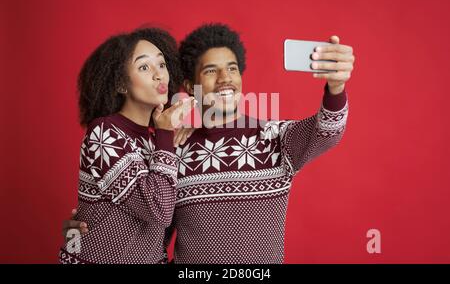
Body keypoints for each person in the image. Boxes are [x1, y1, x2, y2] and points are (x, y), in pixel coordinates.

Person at [64, 23, 354, 264]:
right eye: (211, 71)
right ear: (191, 88)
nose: (225, 79)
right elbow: (156, 224)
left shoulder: (274, 138)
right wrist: (85, 238)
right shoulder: (172, 148)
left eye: (232, 69)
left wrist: (336, 86)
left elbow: (327, 130)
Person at [59, 28, 195, 264]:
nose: (159, 75)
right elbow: (158, 210)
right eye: (144, 67)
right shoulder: (104, 133)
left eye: (161, 65)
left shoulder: (158, 142)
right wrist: (165, 132)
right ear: (121, 83)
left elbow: (172, 216)